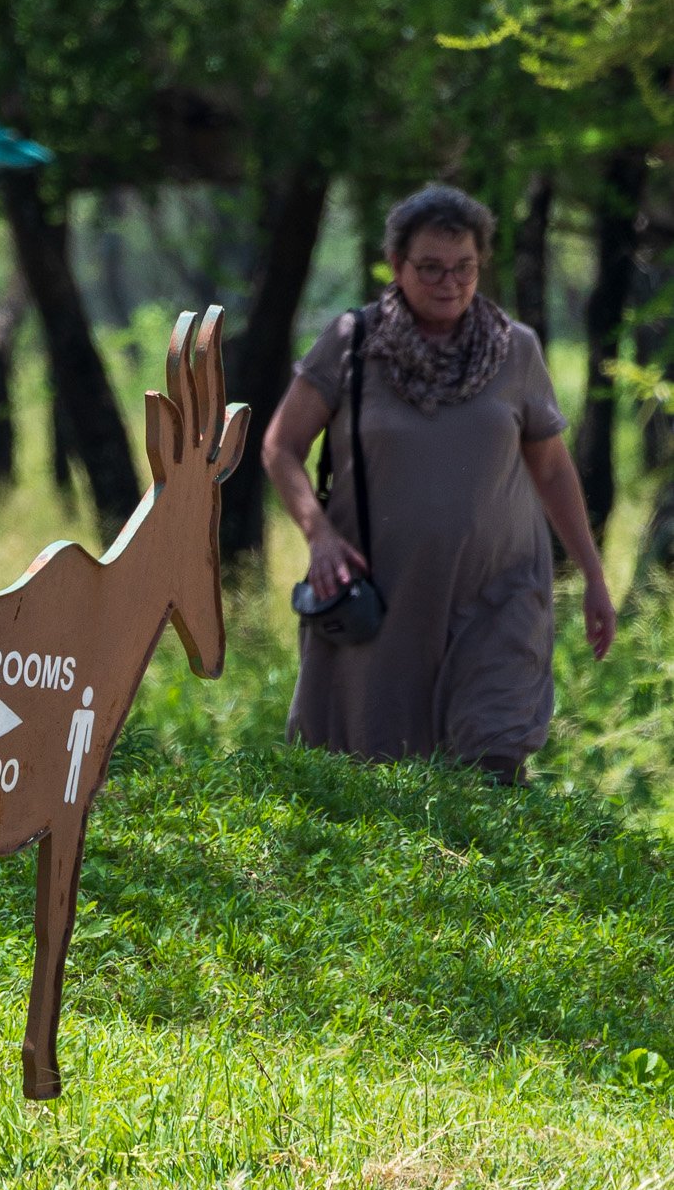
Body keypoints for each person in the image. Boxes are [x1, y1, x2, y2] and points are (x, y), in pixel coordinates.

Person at [262, 184, 617, 782]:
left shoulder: (516, 352)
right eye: (430, 268)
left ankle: (493, 877)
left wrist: (593, 575)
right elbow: (281, 448)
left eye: (464, 268)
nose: (449, 282)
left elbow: (552, 469)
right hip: (385, 596)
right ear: (397, 266)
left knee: (494, 756)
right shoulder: (353, 343)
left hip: (499, 593)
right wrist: (317, 534)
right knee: (379, 777)